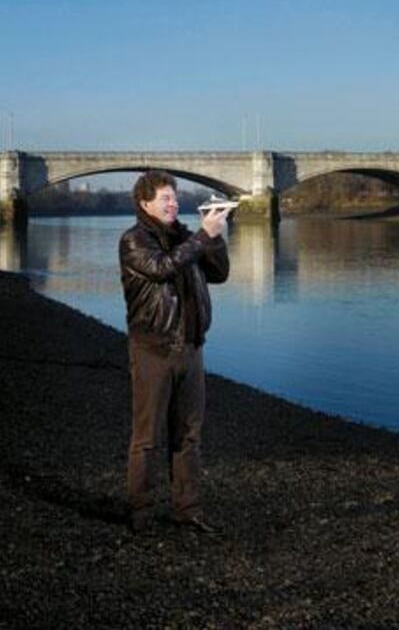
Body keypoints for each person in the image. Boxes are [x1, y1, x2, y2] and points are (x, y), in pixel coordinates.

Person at [118, 170, 231, 534]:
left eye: (175, 197)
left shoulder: (186, 237)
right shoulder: (134, 240)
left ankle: (188, 509)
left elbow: (220, 273)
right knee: (147, 437)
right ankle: (142, 512)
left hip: (191, 347)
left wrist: (212, 238)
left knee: (188, 435)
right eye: (165, 198)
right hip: (153, 348)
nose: (173, 203)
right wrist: (200, 238)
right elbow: (161, 268)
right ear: (145, 203)